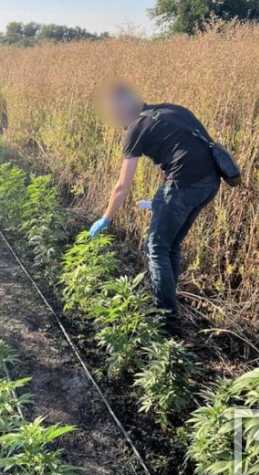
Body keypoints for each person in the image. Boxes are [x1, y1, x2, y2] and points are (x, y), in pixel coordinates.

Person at [89, 82, 220, 335]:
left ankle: (167, 323)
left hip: (184, 185)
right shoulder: (170, 110)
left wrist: (105, 218)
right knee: (171, 245)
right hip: (210, 183)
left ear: (123, 107)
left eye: (113, 112)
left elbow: (122, 187)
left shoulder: (136, 127)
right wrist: (162, 203)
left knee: (155, 247)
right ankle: (169, 305)